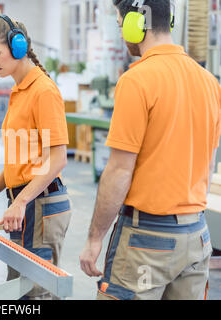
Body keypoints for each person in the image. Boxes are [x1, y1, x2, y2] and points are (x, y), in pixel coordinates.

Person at [79, 0, 221, 300]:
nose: (121, 34)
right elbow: (207, 165)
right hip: (197, 236)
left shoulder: (137, 79)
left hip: (147, 242)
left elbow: (119, 171)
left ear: (135, 22)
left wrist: (95, 239)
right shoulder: (210, 83)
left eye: (120, 25)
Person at [0, 14, 72, 300]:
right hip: (26, 201)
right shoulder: (19, 91)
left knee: (36, 293)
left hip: (40, 203)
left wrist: (20, 201)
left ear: (18, 47)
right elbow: (17, 164)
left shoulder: (42, 91)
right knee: (21, 288)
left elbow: (57, 159)